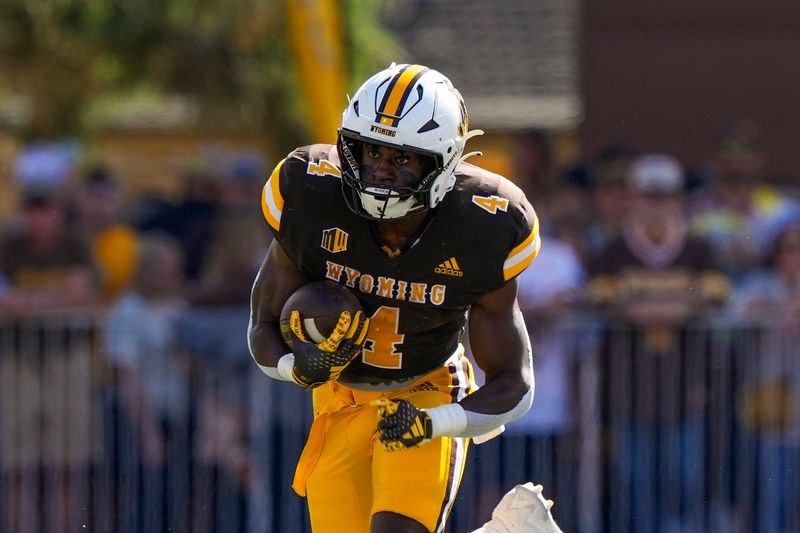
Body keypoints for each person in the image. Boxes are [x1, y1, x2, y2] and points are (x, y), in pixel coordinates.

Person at [248, 63, 541, 533]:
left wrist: (435, 423)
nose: (381, 171)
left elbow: (515, 384)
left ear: (442, 162)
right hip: (338, 396)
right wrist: (295, 367)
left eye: (402, 159)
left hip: (427, 387)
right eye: (371, 152)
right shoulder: (308, 192)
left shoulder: (484, 223)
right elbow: (262, 327)